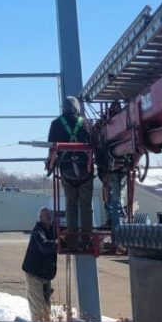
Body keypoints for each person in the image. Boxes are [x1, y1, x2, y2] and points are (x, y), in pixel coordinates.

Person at [48, 96, 94, 249]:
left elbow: (52, 149)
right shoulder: (86, 123)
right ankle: (87, 240)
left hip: (67, 170)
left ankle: (72, 240)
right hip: (85, 170)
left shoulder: (56, 124)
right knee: (86, 206)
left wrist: (51, 165)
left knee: (70, 205)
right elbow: (93, 144)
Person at [21, 206, 57, 322]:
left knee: (47, 306)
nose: (49, 216)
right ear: (40, 217)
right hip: (35, 274)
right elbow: (45, 246)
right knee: (37, 306)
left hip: (46, 275)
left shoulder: (52, 230)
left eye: (50, 214)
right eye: (46, 214)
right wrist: (57, 243)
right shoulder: (38, 231)